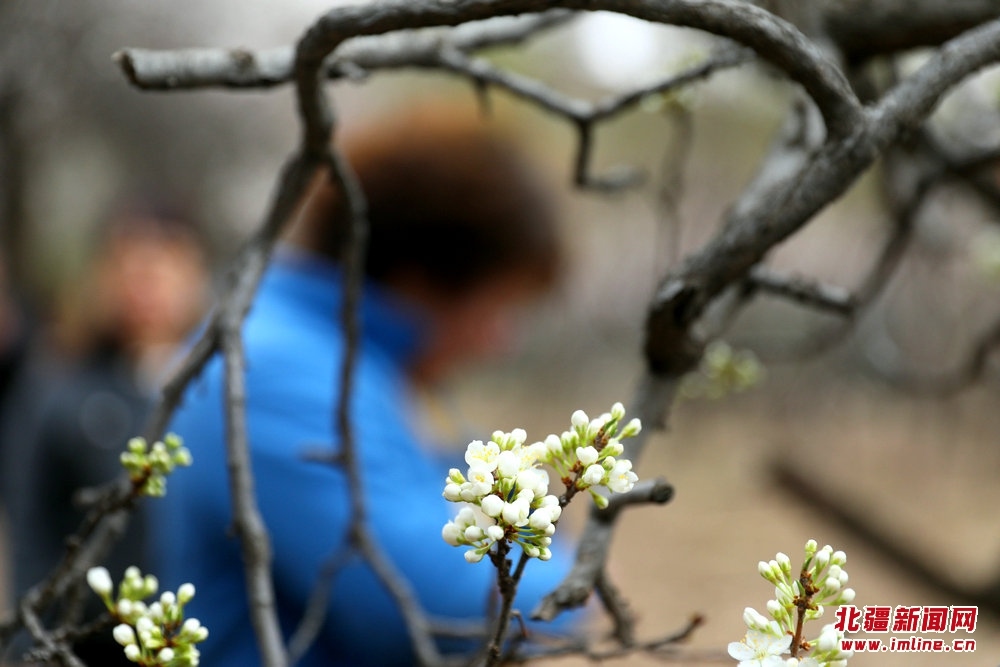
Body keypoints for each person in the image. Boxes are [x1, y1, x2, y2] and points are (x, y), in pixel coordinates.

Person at [150, 107, 578, 666]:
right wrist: (575, 575)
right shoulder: (277, 373)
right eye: (498, 308)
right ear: (420, 280)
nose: (500, 342)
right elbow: (428, 599)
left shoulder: (350, 361)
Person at [0, 199, 210, 665]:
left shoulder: (225, 390)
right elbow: (29, 528)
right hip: (90, 644)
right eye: (131, 266)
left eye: (164, 265)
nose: (146, 284)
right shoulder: (59, 387)